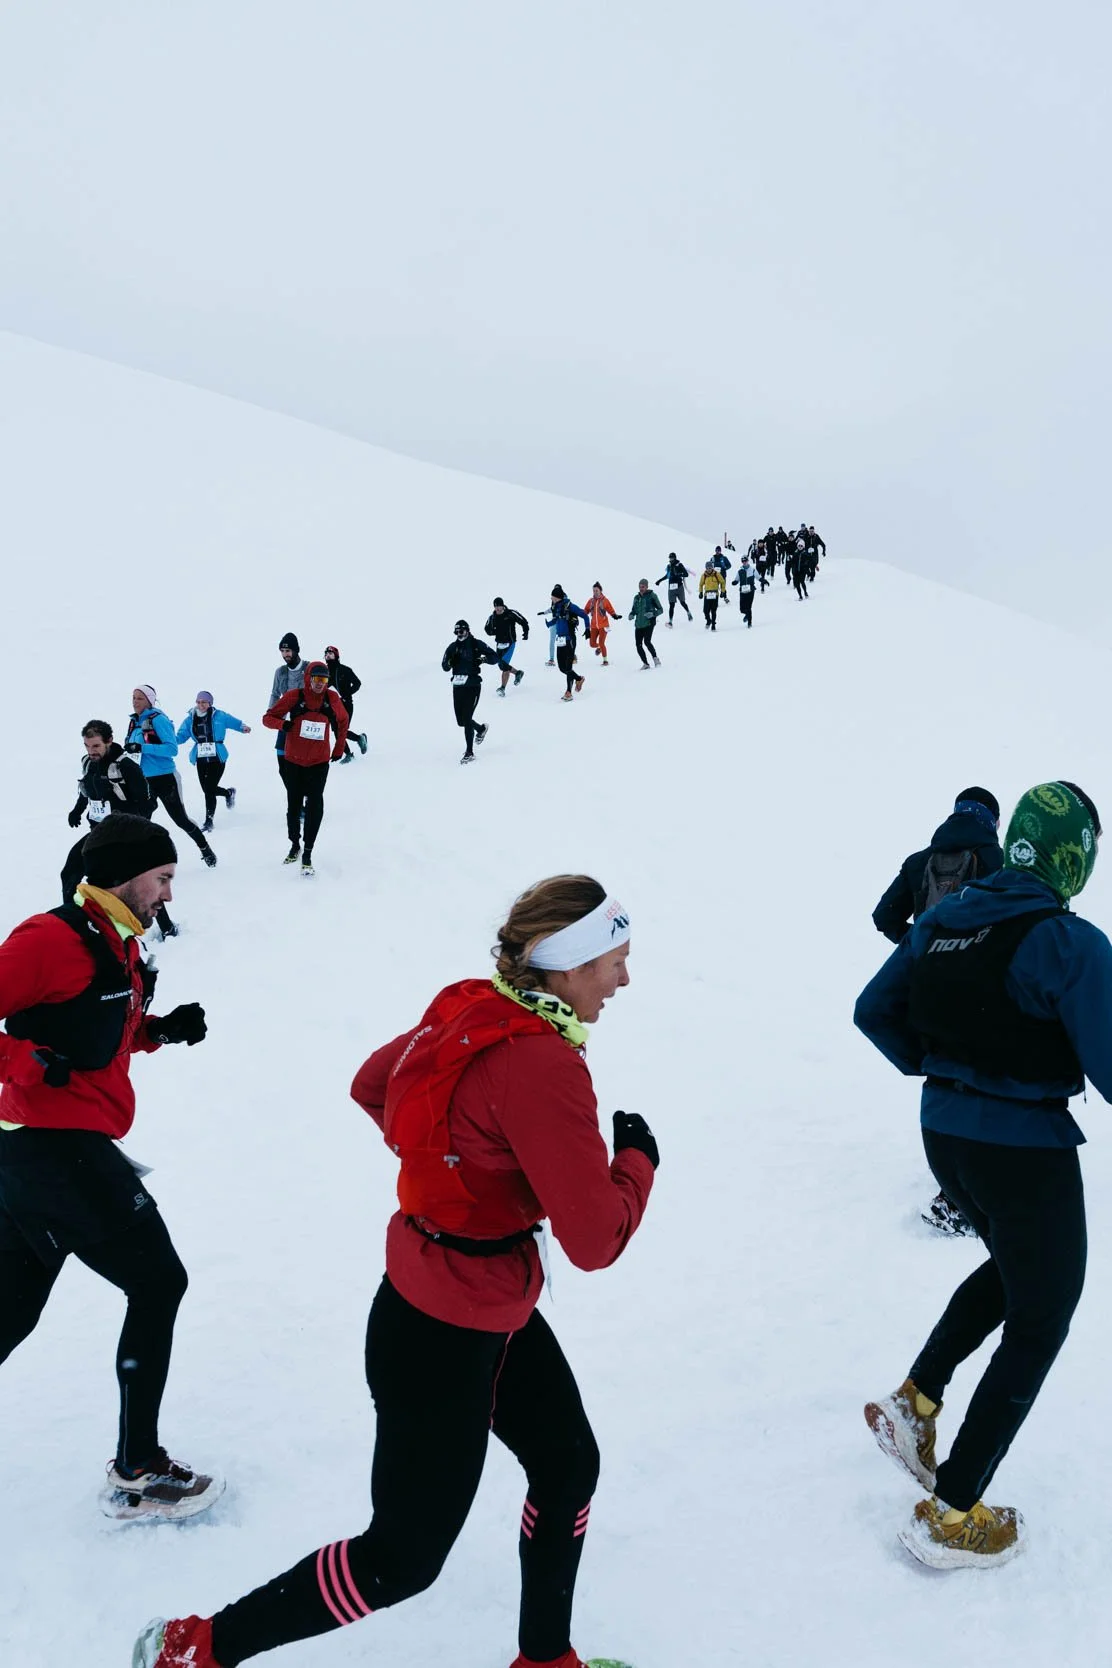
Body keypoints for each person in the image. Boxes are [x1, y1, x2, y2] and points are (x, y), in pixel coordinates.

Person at [134, 874, 657, 1668]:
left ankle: (545, 1659)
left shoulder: (473, 1003)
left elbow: (374, 1086)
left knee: (567, 1464)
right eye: (612, 961)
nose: (624, 978)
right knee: (399, 1561)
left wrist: (457, 1170)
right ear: (566, 965)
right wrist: (637, 1164)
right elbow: (594, 1240)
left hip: (476, 1297)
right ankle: (196, 1650)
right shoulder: (544, 1064)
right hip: (442, 1332)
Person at [855, 782, 1111, 1569]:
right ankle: (954, 1509)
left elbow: (873, 1010)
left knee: (1014, 1271)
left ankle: (916, 1401)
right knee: (1045, 1311)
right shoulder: (1067, 943)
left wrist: (939, 1069)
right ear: (1073, 855)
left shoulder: (940, 920)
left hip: (945, 1139)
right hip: (1023, 1151)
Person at [0, 815, 219, 1523]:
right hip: (49, 1147)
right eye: (163, 879)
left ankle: (138, 1464)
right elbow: (37, 1047)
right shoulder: (50, 939)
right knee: (159, 1282)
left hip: (44, 1152)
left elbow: (95, 1036)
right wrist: (24, 1063)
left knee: (12, 1310)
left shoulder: (115, 942)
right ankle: (139, 1468)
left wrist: (157, 1032)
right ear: (125, 875)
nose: (168, 895)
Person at [872, 788, 1004, 1235]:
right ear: (993, 820)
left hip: (928, 995)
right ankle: (959, 1199)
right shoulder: (995, 859)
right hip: (983, 995)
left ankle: (953, 1188)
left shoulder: (919, 861)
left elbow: (883, 916)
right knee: (984, 1087)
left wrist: (921, 947)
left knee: (945, 1083)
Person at [63, 720, 177, 941]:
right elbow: (86, 790)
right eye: (87, 746)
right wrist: (76, 811)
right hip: (97, 834)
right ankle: (74, 926)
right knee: (70, 873)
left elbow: (147, 802)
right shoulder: (88, 763)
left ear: (109, 741)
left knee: (137, 884)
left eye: (95, 746)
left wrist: (130, 827)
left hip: (123, 838)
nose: (91, 751)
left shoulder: (126, 766)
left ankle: (167, 927)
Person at [262, 661, 348, 873]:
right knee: (293, 806)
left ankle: (308, 850)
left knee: (315, 807)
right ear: (308, 678)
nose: (320, 684)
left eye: (324, 680)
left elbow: (343, 720)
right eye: (316, 679)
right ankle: (295, 845)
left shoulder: (331, 698)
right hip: (293, 762)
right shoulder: (294, 696)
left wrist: (338, 748)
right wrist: (283, 725)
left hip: (318, 763)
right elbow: (267, 718)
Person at [124, 687, 216, 868]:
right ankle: (141, 862)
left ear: (150, 701)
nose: (135, 702)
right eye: (133, 698)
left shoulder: (159, 720)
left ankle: (205, 848)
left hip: (165, 778)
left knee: (180, 819)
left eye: (140, 698)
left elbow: (171, 749)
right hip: (144, 780)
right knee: (141, 820)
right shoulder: (134, 722)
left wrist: (142, 748)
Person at [175, 693, 251, 832]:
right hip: (201, 758)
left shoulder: (219, 715)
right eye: (198, 702)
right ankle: (228, 793)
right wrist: (169, 740)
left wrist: (243, 727)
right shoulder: (190, 719)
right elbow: (181, 736)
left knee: (209, 789)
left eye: (204, 702)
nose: (201, 705)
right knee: (207, 789)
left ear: (210, 703)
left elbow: (234, 722)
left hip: (217, 757)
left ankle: (209, 821)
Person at [441, 621, 500, 762]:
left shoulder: (476, 644)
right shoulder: (452, 647)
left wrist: (483, 659)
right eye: (457, 632)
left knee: (467, 718)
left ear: (467, 631)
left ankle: (469, 752)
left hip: (473, 686)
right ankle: (480, 729)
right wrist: (450, 663)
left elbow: (495, 657)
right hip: (458, 686)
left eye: (461, 631)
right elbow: (444, 666)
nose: (459, 635)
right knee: (461, 721)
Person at [269, 633, 307, 785]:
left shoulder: (308, 668)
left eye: (288, 651)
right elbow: (275, 694)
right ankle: (296, 798)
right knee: (283, 768)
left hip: (304, 723)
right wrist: (271, 714)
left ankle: (304, 801)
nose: (285, 655)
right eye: (282, 651)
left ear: (296, 650)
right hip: (285, 724)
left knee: (301, 766)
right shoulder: (280, 672)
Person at [323, 646, 368, 761]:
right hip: (331, 706)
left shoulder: (345, 670)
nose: (328, 655)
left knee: (342, 730)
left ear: (336, 655)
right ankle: (348, 754)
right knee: (336, 731)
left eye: (330, 653)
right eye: (326, 654)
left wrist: (347, 694)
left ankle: (359, 738)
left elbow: (357, 683)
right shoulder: (324, 672)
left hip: (346, 704)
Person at [549, 586, 590, 703]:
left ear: (557, 597)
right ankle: (579, 679)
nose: (551, 598)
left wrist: (588, 629)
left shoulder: (569, 606)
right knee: (562, 668)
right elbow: (557, 620)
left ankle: (568, 692)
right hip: (560, 640)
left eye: (553, 597)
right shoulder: (555, 607)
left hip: (569, 640)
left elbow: (584, 615)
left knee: (568, 667)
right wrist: (549, 623)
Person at [483, 599, 530, 697]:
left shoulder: (511, 613)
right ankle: (518, 673)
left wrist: (526, 633)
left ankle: (502, 688)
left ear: (503, 606)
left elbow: (523, 621)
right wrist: (493, 631)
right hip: (499, 643)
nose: (497, 609)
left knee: (504, 664)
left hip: (510, 643)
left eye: (499, 607)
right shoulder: (492, 617)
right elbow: (487, 629)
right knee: (500, 664)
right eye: (496, 607)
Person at [628, 579, 663, 668]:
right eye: (640, 587)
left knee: (647, 641)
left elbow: (660, 609)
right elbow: (634, 610)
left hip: (649, 623)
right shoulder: (636, 597)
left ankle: (656, 659)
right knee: (638, 645)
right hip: (639, 624)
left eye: (643, 587)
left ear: (647, 587)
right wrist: (631, 614)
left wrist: (653, 614)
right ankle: (646, 664)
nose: (641, 588)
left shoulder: (652, 596)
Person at [583, 583, 618, 665]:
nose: (595, 592)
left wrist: (614, 615)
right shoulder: (591, 601)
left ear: (600, 591)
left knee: (602, 642)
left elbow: (610, 610)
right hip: (594, 626)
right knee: (592, 644)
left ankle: (605, 660)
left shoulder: (605, 600)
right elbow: (585, 611)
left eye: (596, 590)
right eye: (594, 590)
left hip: (604, 625)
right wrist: (578, 613)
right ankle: (600, 647)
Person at [656, 554, 693, 627]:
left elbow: (686, 574)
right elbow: (667, 576)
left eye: (672, 558)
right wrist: (659, 581)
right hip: (671, 588)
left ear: (675, 558)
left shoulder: (679, 565)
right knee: (671, 605)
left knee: (682, 602)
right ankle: (670, 622)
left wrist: (678, 574)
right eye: (670, 558)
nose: (671, 560)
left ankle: (688, 613)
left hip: (679, 587)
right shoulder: (669, 566)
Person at [698, 560, 726, 630]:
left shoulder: (717, 574)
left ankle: (713, 624)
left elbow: (722, 582)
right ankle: (708, 620)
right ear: (706, 568)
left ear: (712, 568)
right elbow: (701, 584)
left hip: (715, 594)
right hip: (707, 594)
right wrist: (701, 592)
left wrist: (722, 591)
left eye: (710, 568)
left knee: (713, 610)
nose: (709, 569)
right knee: (705, 611)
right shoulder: (704, 575)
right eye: (707, 568)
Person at [731, 553, 757, 627]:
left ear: (748, 561)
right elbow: (736, 579)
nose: (744, 562)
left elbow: (758, 577)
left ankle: (749, 622)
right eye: (743, 561)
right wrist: (735, 582)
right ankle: (747, 615)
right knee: (742, 609)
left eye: (745, 561)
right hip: (742, 591)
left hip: (751, 590)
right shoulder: (740, 571)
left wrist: (763, 581)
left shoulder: (752, 570)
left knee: (748, 607)